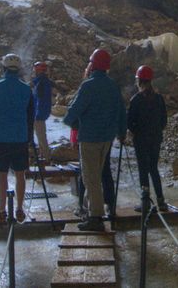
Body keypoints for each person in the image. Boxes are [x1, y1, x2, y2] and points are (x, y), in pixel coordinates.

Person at [63, 49, 126, 232]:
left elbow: (73, 112)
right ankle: (89, 209)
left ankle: (95, 217)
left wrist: (72, 122)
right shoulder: (113, 86)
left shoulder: (88, 86)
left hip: (89, 137)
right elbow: (121, 111)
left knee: (91, 178)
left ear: (93, 64)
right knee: (96, 174)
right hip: (107, 138)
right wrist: (121, 132)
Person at [0, 53, 35, 223]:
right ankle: (20, 209)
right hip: (20, 137)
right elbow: (30, 117)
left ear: (4, 68)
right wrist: (28, 137)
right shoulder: (26, 89)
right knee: (20, 174)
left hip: (2, 137)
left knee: (2, 175)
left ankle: (1, 210)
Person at [126, 66, 168, 212]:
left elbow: (130, 122)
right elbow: (164, 121)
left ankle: (145, 202)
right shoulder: (159, 99)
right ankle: (161, 201)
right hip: (155, 138)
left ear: (139, 81)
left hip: (141, 140)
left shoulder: (136, 100)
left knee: (143, 169)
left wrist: (134, 132)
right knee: (153, 168)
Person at [31, 61, 54, 161]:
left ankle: (47, 159)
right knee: (41, 136)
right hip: (41, 113)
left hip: (38, 114)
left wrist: (37, 114)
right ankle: (43, 157)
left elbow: (40, 101)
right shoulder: (44, 82)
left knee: (41, 137)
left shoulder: (40, 83)